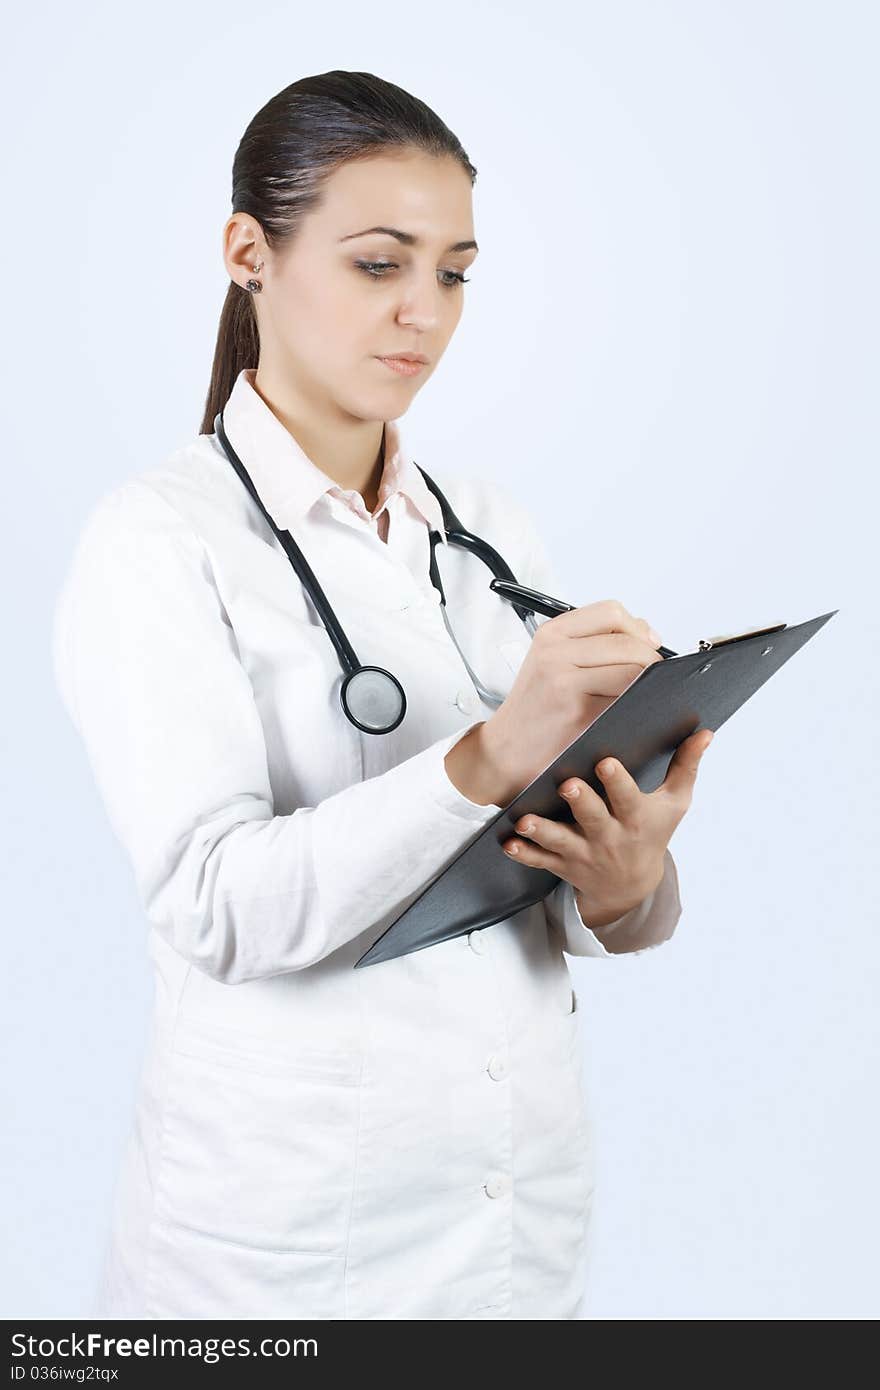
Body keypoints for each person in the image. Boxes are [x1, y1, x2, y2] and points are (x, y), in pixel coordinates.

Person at [51, 70, 711, 1321]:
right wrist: (488, 749)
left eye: (453, 272)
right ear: (249, 251)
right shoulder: (156, 541)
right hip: (282, 1246)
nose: (423, 312)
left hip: (512, 1218)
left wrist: (629, 886)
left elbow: (571, 898)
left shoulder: (486, 534)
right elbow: (213, 902)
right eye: (377, 264)